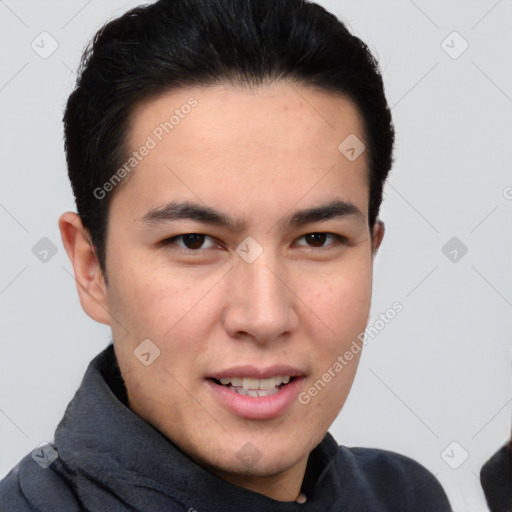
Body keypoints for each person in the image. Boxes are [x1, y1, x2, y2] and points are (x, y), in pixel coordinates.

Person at [0, 0, 453, 510]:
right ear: (91, 269)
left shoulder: (404, 496)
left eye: (317, 239)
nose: (264, 316)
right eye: (194, 241)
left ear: (371, 252)